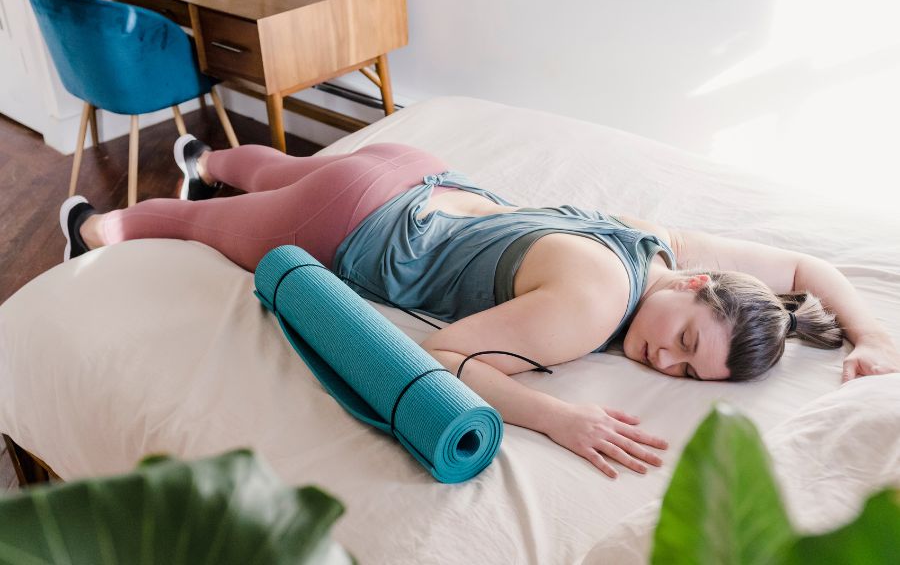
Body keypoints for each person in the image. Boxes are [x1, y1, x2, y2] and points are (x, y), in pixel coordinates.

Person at [59, 137, 900, 479]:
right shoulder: (591, 306)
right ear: (688, 291)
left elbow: (803, 265)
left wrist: (868, 332)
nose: (666, 363)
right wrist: (552, 417)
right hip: (355, 224)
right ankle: (90, 226)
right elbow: (451, 355)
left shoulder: (661, 247)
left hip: (415, 172)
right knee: (189, 224)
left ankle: (205, 155)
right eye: (681, 343)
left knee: (275, 167)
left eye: (688, 371)